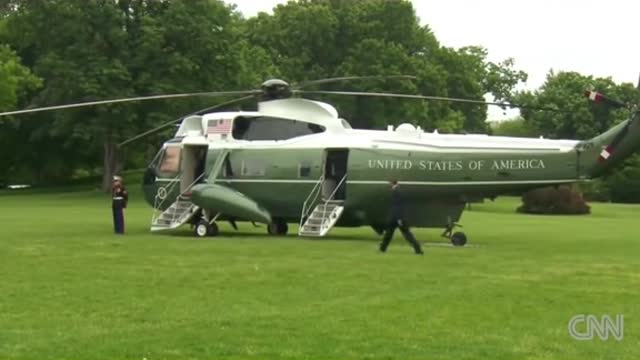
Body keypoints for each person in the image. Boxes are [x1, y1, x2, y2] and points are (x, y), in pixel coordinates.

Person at [379, 180, 423, 255]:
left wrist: (399, 218)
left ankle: (418, 249)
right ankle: (382, 248)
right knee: (395, 234)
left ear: (392, 183)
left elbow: (398, 206)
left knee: (405, 234)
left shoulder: (397, 192)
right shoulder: (397, 191)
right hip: (396, 217)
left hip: (396, 218)